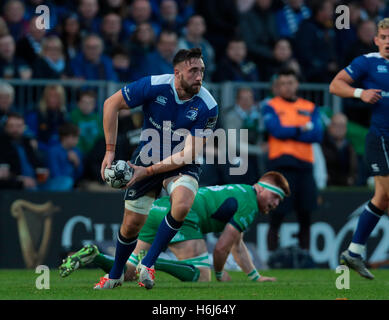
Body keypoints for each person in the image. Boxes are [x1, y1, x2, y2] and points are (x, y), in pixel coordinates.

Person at [96, 47, 218, 289]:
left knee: (182, 204)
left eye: (201, 71)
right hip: (148, 154)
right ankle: (116, 274)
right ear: (177, 72)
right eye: (193, 70)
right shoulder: (154, 85)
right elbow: (111, 104)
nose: (199, 76)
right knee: (131, 225)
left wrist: (147, 172)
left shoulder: (208, 105)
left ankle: (148, 264)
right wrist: (110, 150)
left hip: (182, 160)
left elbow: (188, 154)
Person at [60, 171, 290, 284]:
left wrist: (254, 277)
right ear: (260, 188)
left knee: (126, 273)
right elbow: (221, 248)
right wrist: (219, 274)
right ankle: (149, 262)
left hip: (158, 208)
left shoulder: (241, 192)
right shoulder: (250, 204)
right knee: (202, 277)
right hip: (184, 214)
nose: (275, 204)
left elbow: (236, 245)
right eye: (275, 196)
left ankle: (95, 256)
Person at [329, 18, 389, 280]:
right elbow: (335, 85)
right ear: (376, 39)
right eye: (385, 37)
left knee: (382, 199)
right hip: (381, 139)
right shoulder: (368, 61)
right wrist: (359, 94)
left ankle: (354, 252)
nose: (388, 42)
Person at [262, 68, 323, 254]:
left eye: (290, 83)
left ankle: (305, 254)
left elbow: (317, 134)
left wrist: (292, 131)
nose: (287, 87)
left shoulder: (310, 107)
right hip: (281, 166)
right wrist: (301, 129)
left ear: (297, 84)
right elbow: (276, 131)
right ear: (277, 86)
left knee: (305, 214)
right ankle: (272, 257)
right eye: (283, 84)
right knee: (277, 214)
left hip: (305, 166)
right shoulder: (270, 105)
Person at [0, 112, 44, 190]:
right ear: (5, 128)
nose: (15, 129)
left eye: (18, 126)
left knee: (64, 181)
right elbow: (4, 173)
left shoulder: (27, 142)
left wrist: (43, 172)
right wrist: (20, 180)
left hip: (36, 181)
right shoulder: (2, 144)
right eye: (11, 126)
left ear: (24, 127)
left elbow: (37, 164)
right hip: (17, 185)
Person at [321, 113, 358, 186]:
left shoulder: (349, 145)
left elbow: (354, 168)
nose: (339, 129)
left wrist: (352, 178)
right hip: (326, 185)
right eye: (336, 125)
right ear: (329, 126)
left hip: (346, 186)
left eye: (342, 126)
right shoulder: (321, 143)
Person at [46, 122, 83, 191]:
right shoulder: (53, 151)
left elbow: (79, 175)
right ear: (65, 137)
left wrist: (77, 163)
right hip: (55, 185)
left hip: (71, 186)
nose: (77, 140)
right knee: (67, 181)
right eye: (74, 137)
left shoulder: (77, 151)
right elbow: (55, 174)